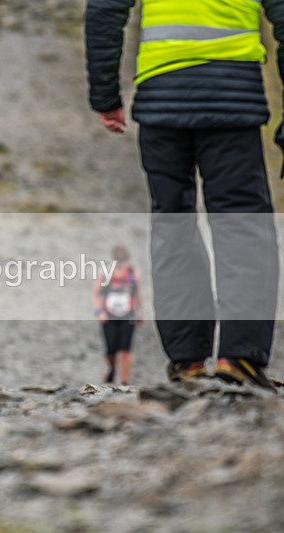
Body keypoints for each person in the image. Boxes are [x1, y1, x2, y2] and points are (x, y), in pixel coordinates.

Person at [85, 0, 282, 389]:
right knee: (243, 223)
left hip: (161, 100)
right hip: (233, 99)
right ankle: (239, 357)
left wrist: (106, 96)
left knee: (172, 224)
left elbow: (104, 10)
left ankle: (187, 361)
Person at [93, 245, 144, 386]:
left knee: (125, 349)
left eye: (124, 261)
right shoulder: (105, 272)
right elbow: (96, 293)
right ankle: (112, 367)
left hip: (128, 315)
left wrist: (140, 312)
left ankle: (124, 381)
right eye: (119, 261)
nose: (122, 264)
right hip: (109, 315)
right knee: (111, 349)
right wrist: (99, 312)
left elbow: (138, 293)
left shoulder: (133, 273)